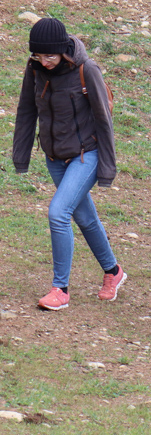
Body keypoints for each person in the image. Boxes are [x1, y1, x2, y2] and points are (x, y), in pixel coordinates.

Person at [13, 18, 126, 311]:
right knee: (84, 217)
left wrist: (107, 169)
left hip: (86, 155)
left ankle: (60, 289)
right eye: (38, 55)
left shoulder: (86, 70)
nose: (44, 62)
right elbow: (26, 110)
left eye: (50, 56)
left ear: (63, 50)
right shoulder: (35, 69)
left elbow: (104, 120)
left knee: (58, 213)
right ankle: (113, 271)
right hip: (54, 158)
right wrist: (21, 156)